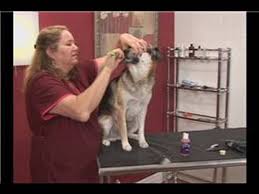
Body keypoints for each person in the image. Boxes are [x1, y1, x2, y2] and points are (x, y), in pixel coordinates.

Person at [24, 25, 148, 183]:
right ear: (50, 52)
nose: (76, 47)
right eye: (69, 44)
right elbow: (81, 111)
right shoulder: (41, 83)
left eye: (74, 43)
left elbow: (112, 58)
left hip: (85, 163)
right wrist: (107, 70)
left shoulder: (78, 71)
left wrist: (123, 43)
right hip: (58, 168)